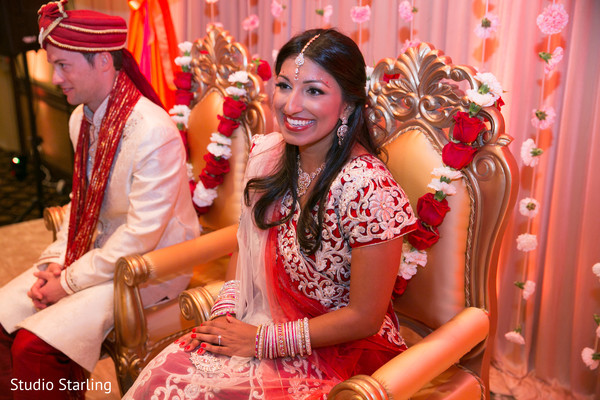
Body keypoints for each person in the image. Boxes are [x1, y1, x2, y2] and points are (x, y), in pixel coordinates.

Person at [124, 28, 417, 400]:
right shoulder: (270, 156)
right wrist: (227, 313)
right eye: (283, 85)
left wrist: (261, 341)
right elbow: (246, 247)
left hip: (342, 351)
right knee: (166, 377)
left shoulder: (369, 188)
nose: (291, 105)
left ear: (347, 104)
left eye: (314, 91)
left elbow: (365, 317)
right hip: (262, 321)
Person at [0, 1, 200, 399]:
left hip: (150, 266)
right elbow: (82, 206)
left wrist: (68, 281)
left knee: (34, 348)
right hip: (94, 253)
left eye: (63, 66)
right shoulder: (82, 118)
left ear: (103, 62)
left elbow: (142, 235)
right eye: (53, 65)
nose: (55, 78)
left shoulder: (152, 131)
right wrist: (52, 265)